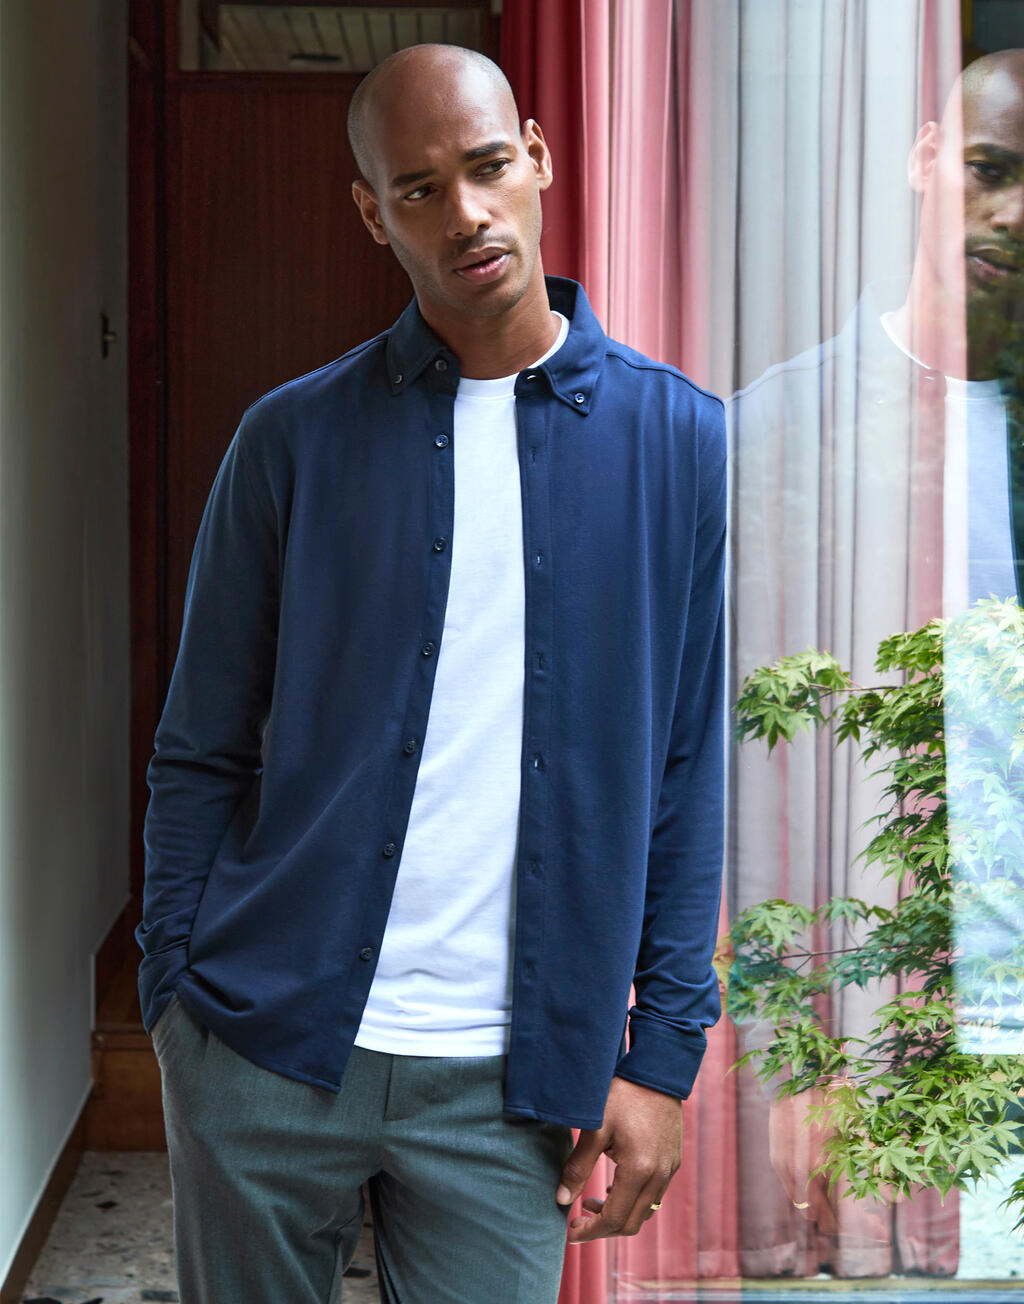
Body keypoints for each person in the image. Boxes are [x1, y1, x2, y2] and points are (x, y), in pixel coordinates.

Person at [137, 42, 727, 1304]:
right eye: (417, 189)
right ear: (373, 214)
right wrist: (174, 998)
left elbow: (683, 764)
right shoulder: (291, 439)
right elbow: (199, 743)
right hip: (264, 1043)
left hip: (510, 1085)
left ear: (538, 159)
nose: (464, 213)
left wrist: (661, 1055)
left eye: (487, 166)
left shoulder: (675, 438)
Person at [727, 49, 1024, 1274]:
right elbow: (747, 784)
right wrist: (792, 1057)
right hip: (874, 1033)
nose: (1013, 213)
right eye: (989, 170)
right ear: (921, 159)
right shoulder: (784, 429)